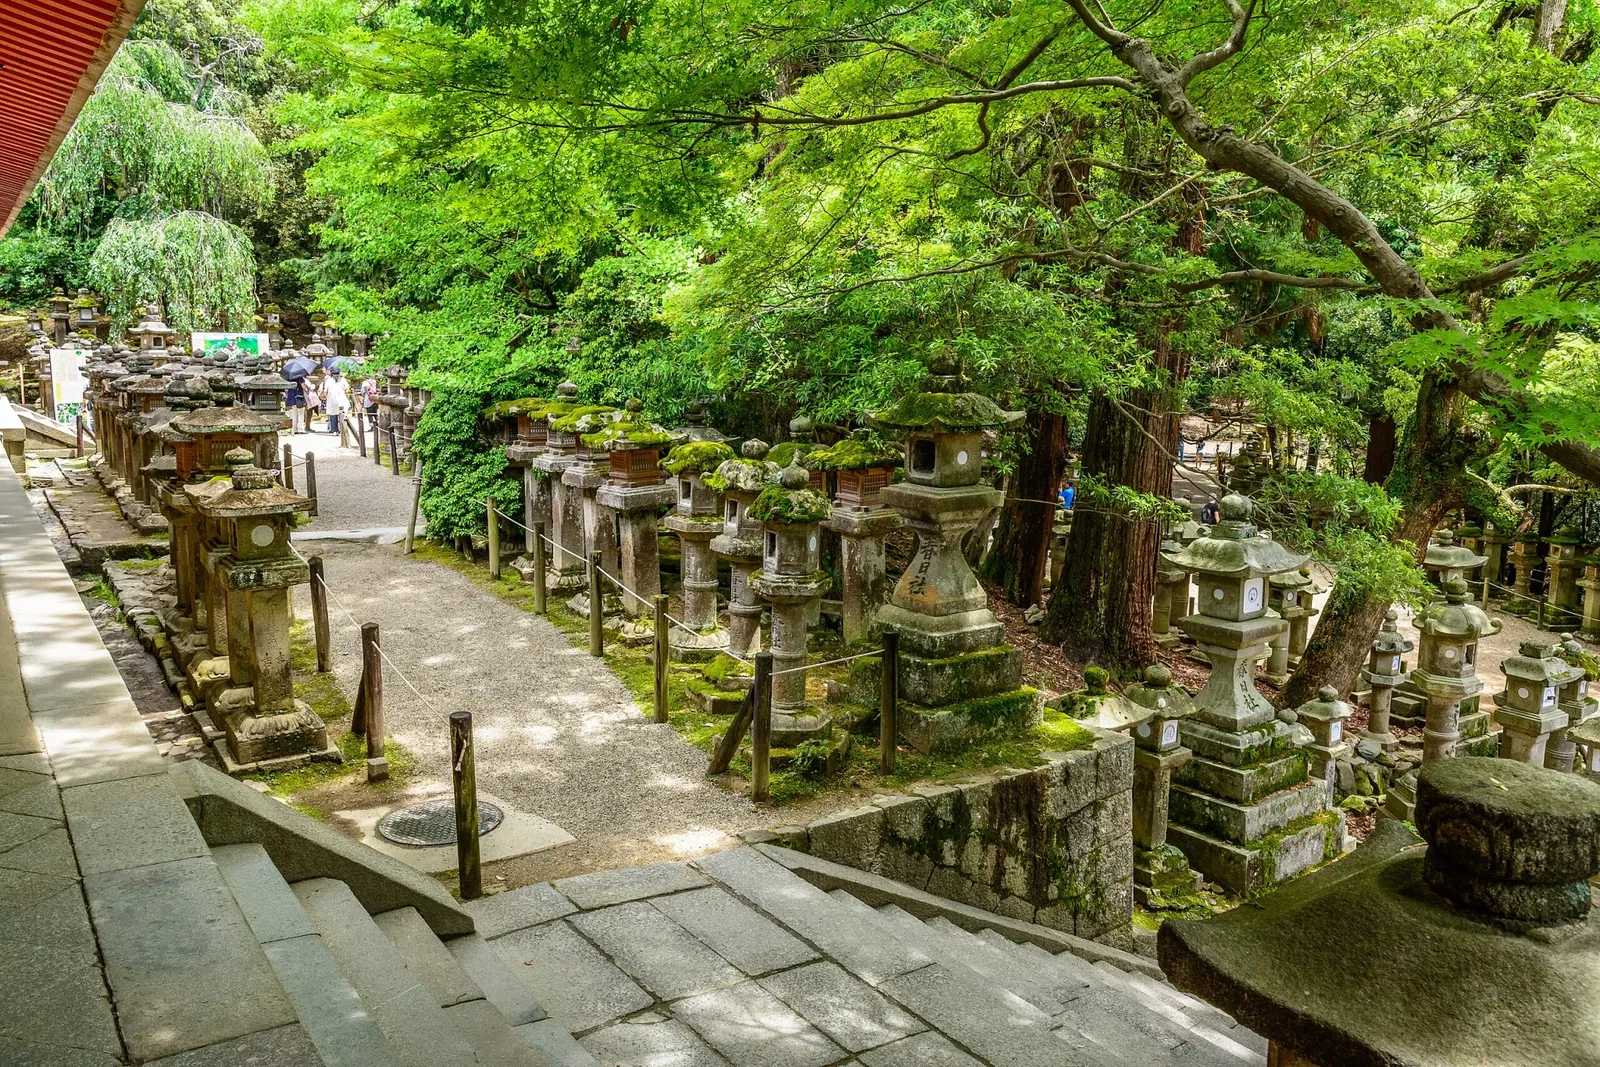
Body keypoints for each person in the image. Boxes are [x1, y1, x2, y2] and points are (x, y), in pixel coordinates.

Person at [322, 369, 350, 437]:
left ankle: (334, 430)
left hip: (332, 399)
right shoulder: (343, 380)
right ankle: (342, 429)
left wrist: (326, 397)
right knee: (342, 414)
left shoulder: (328, 380)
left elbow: (325, 391)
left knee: (333, 415)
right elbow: (347, 389)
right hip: (341, 399)